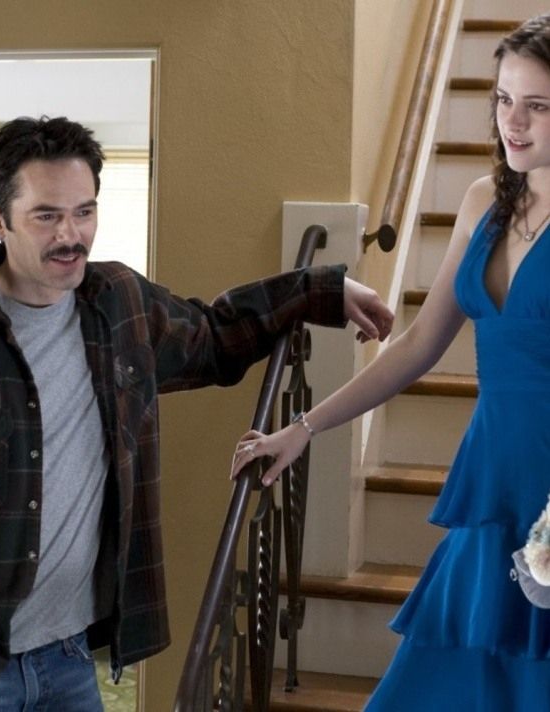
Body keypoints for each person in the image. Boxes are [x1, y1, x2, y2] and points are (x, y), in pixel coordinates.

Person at [0, 115, 394, 711]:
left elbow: (217, 335)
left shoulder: (121, 305)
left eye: (85, 211)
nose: (71, 235)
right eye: (46, 216)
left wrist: (320, 291)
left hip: (68, 662)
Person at [232, 14, 550, 710]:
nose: (513, 121)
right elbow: (416, 344)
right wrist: (304, 428)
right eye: (503, 98)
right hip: (493, 484)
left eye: (537, 104)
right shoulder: (483, 201)